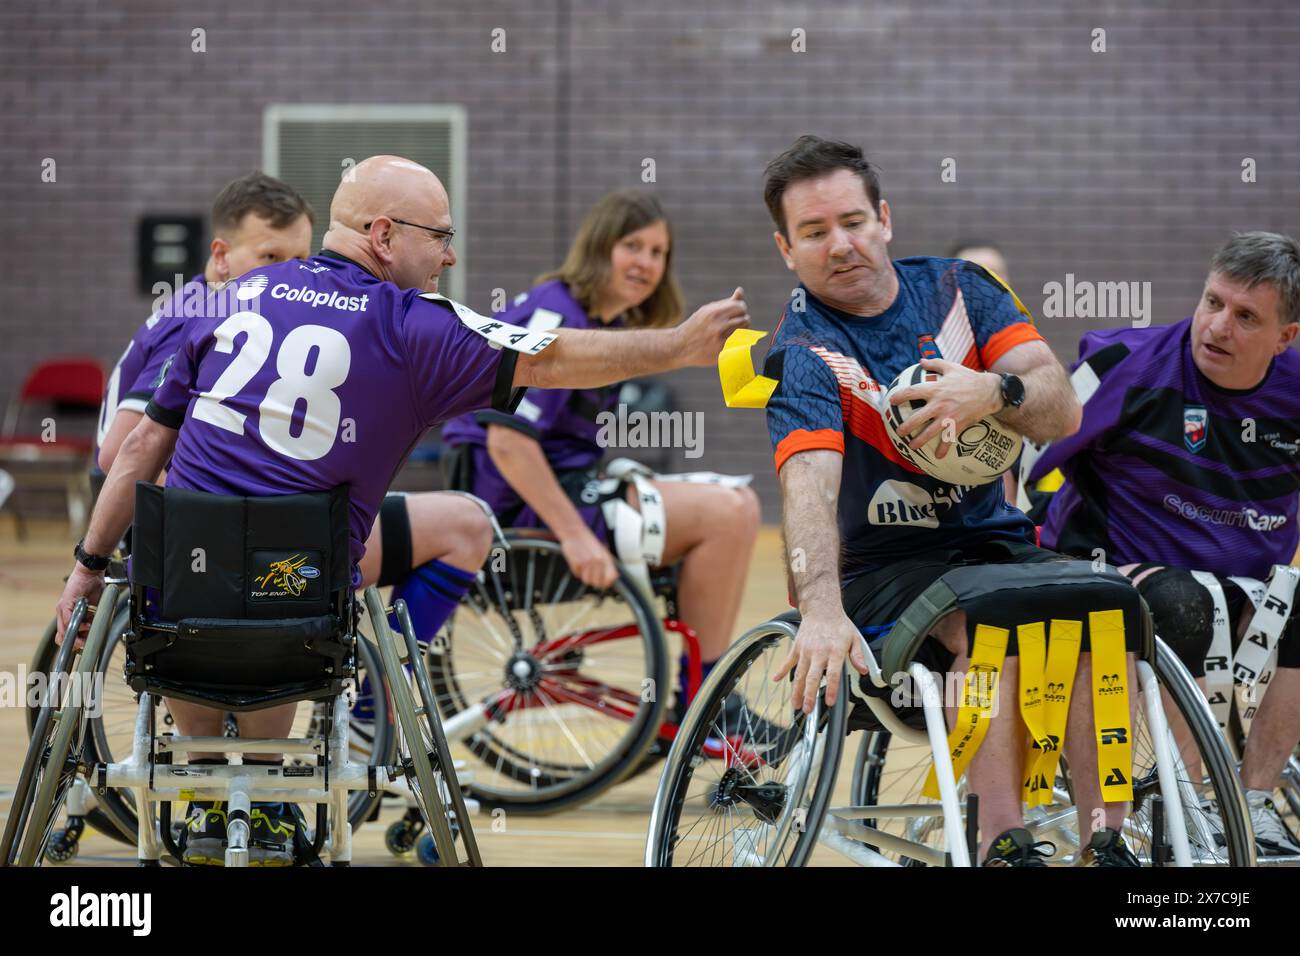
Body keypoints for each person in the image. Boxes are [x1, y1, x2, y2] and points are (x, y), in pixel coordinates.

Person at [54, 155, 750, 865]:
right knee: (396, 541)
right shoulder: (413, 326)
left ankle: (210, 791)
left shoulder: (233, 295)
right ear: (384, 235)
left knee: (227, 583)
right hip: (295, 615)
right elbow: (550, 358)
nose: (450, 255)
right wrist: (679, 345)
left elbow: (138, 446)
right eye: (441, 236)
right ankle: (343, 733)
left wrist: (86, 567)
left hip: (176, 603)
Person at [756, 136, 1139, 866]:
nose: (840, 244)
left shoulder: (963, 290)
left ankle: (1107, 840)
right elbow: (806, 488)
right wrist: (821, 609)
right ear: (787, 248)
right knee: (995, 623)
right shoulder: (805, 350)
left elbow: (1061, 411)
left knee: (1103, 607)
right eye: (814, 232)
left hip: (995, 545)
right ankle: (1002, 839)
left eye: (853, 222)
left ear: (884, 219)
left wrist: (993, 391)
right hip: (881, 567)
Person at [441, 190, 760, 716]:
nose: (646, 263)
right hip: (513, 514)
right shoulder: (555, 313)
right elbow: (507, 442)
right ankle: (706, 705)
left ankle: (706, 694)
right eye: (632, 246)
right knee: (727, 515)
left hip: (560, 489)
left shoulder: (603, 322)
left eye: (658, 253)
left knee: (739, 502)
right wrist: (574, 535)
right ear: (599, 246)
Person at [1032, 231, 1300, 857]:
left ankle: (1254, 802)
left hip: (1242, 583)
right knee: (1185, 605)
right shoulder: (1122, 364)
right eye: (1213, 302)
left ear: (1285, 337)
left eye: (1246, 317)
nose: (1218, 326)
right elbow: (1019, 455)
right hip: (1116, 563)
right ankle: (1191, 805)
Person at [95, 172, 315, 475]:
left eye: (300, 260)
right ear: (221, 256)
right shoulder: (195, 318)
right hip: (133, 494)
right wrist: (196, 501)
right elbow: (118, 454)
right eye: (270, 256)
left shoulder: (215, 303)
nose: (289, 275)